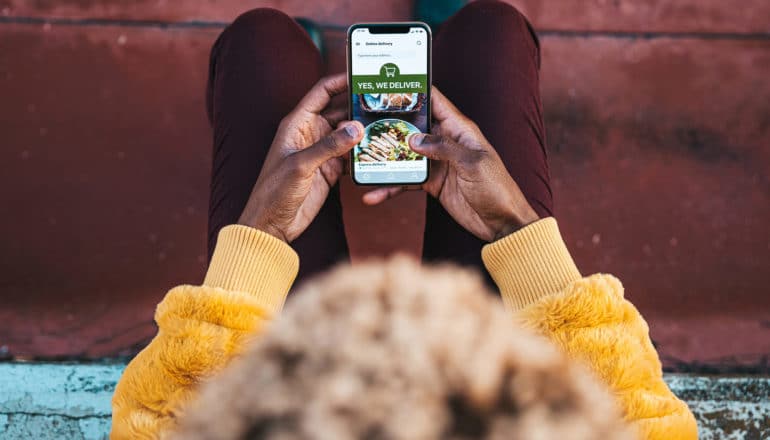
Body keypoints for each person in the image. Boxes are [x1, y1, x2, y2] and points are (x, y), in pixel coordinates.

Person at [111, 2, 698, 439]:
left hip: (302, 412)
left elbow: (159, 422)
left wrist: (260, 235)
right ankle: (443, 50)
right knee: (490, 33)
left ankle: (345, 51)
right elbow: (637, 421)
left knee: (262, 45)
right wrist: (512, 227)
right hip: (477, 410)